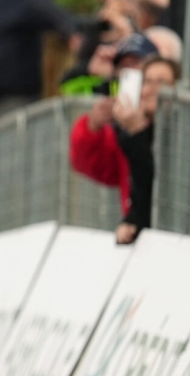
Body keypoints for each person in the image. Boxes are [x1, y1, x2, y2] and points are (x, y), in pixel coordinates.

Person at [69, 53, 177, 245]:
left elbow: (157, 181)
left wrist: (138, 133)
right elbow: (92, 165)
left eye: (162, 82)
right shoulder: (126, 134)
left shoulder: (187, 131)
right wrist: (93, 125)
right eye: (147, 81)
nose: (153, 89)